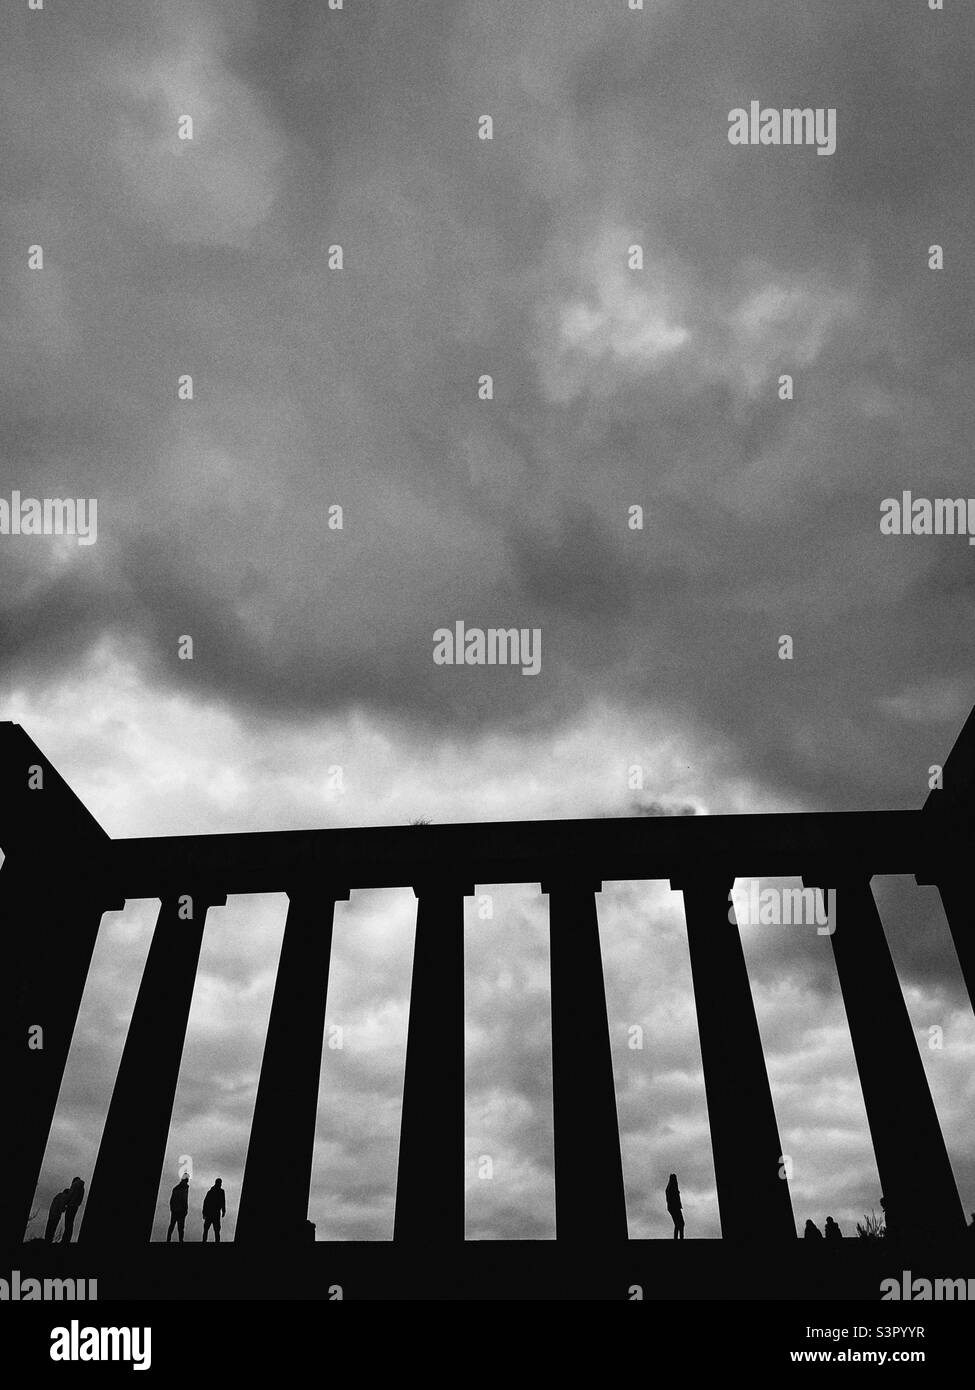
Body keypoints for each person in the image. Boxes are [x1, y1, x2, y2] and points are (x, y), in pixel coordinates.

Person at [61, 1177, 85, 1243]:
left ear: (74, 1180)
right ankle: (67, 1239)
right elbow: (81, 1199)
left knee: (67, 1223)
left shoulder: (74, 1184)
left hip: (70, 1206)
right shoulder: (82, 1188)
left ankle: (64, 1240)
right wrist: (77, 1204)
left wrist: (65, 1203)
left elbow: (70, 1195)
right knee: (71, 1223)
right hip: (75, 1207)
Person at [202, 1178, 226, 1243]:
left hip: (212, 1213)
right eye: (220, 1183)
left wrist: (223, 1210)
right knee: (212, 1230)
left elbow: (205, 1202)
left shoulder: (212, 1192)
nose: (220, 1184)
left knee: (213, 1230)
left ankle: (205, 1241)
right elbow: (206, 1202)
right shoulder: (217, 1192)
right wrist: (223, 1210)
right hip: (213, 1213)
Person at [168, 1175, 190, 1244]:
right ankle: (180, 1240)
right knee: (180, 1228)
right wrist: (185, 1209)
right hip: (180, 1211)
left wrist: (172, 1209)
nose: (188, 1181)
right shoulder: (184, 1188)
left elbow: (172, 1200)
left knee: (172, 1226)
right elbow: (184, 1200)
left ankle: (169, 1239)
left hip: (176, 1211)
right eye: (187, 1179)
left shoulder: (176, 1188)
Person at [665, 1173, 684, 1240]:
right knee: (680, 1224)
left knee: (678, 1224)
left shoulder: (669, 1188)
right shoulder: (672, 1188)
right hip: (674, 1208)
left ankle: (677, 1238)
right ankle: (680, 1239)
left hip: (673, 1208)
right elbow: (674, 1198)